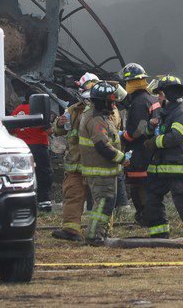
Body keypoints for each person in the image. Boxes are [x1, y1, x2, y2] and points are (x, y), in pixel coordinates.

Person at [143, 75, 183, 243]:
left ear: (168, 95)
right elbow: (155, 133)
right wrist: (151, 126)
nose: (158, 97)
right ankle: (159, 235)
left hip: (176, 168)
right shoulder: (165, 114)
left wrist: (155, 142)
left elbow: (175, 137)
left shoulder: (181, 114)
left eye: (160, 94)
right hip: (159, 168)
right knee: (151, 197)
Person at [77, 81, 128, 246]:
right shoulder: (96, 119)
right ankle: (94, 236)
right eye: (110, 102)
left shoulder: (99, 115)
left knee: (105, 203)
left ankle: (99, 233)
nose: (113, 105)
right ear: (102, 102)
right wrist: (122, 158)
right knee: (103, 204)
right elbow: (102, 146)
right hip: (100, 171)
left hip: (103, 170)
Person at [50, 72, 98, 241]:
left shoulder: (107, 109)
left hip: (96, 163)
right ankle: (71, 230)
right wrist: (59, 123)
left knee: (100, 200)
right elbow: (58, 130)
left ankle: (98, 232)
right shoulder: (73, 109)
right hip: (76, 163)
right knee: (72, 195)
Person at [119, 62, 157, 227]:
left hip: (140, 152)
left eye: (127, 82)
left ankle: (145, 217)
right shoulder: (151, 98)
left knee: (138, 186)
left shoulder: (139, 102)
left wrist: (123, 137)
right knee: (147, 186)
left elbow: (136, 131)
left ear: (131, 82)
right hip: (151, 150)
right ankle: (148, 216)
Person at [10, 94, 53, 212]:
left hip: (22, 148)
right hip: (39, 147)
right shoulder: (38, 110)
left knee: (23, 175)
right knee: (43, 174)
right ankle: (43, 202)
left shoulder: (17, 110)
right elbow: (49, 130)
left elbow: (10, 130)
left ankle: (24, 202)